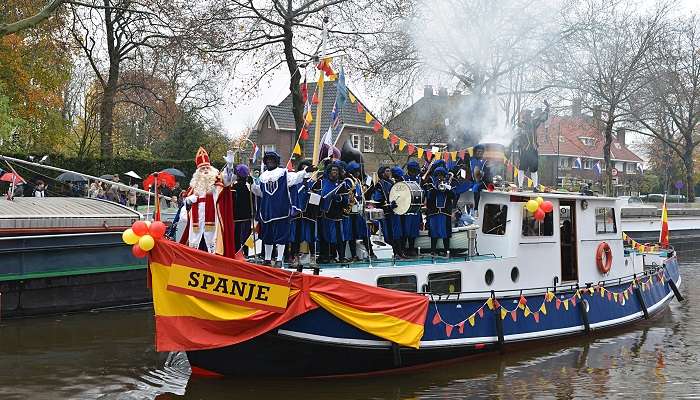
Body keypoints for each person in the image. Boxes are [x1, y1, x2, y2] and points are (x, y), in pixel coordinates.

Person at [252, 151, 314, 266]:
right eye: (268, 159)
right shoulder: (262, 176)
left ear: (276, 161)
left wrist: (305, 171)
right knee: (267, 236)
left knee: (281, 236)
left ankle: (279, 259)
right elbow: (260, 193)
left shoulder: (284, 173)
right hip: (267, 211)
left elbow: (295, 178)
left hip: (281, 210)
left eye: (272, 159)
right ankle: (267, 259)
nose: (270, 161)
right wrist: (252, 185)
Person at [178, 147, 236, 256]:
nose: (205, 170)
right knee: (196, 245)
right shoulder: (193, 187)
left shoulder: (217, 181)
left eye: (207, 168)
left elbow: (228, 181)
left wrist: (230, 166)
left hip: (213, 220)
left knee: (211, 245)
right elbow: (185, 205)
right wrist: (188, 201)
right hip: (197, 222)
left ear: (211, 170)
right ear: (198, 173)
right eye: (202, 169)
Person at [372, 165, 407, 259]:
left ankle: (400, 252)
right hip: (387, 213)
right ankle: (393, 253)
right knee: (389, 234)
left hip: (395, 212)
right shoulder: (379, 185)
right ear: (382, 173)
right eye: (387, 171)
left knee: (397, 233)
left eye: (389, 171)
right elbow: (377, 200)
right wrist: (389, 206)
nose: (389, 172)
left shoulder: (392, 182)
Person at [343, 161, 375, 261]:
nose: (358, 173)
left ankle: (371, 253)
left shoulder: (357, 181)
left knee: (365, 233)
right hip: (351, 212)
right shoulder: (348, 181)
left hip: (359, 211)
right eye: (356, 171)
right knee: (351, 235)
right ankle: (354, 255)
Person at [318, 162, 349, 263]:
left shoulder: (342, 184)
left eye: (336, 170)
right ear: (329, 172)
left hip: (337, 215)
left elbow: (346, 200)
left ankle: (341, 257)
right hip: (324, 214)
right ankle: (327, 257)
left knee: (339, 237)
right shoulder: (322, 182)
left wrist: (338, 198)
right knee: (325, 237)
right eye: (332, 170)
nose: (334, 172)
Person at [290, 159, 319, 264]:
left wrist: (313, 195)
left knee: (311, 236)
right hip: (298, 213)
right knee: (296, 236)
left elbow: (318, 199)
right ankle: (295, 257)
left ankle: (312, 258)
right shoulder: (296, 183)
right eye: (303, 168)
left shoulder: (314, 183)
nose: (305, 171)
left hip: (310, 213)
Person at [423, 166, 456, 256]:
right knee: (434, 231)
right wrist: (435, 189)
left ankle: (446, 250)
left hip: (445, 213)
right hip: (434, 212)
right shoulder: (431, 185)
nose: (439, 177)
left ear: (444, 176)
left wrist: (447, 189)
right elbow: (429, 197)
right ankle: (433, 250)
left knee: (445, 232)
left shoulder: (449, 184)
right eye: (437, 175)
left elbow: (453, 196)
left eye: (441, 175)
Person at [232, 164, 254, 256]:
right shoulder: (250, 187)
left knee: (237, 236)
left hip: (236, 216)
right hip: (247, 216)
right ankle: (246, 253)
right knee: (247, 236)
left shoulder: (233, 187)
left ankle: (237, 252)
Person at [402, 160, 422, 256]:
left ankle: (411, 248)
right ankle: (403, 249)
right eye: (415, 171)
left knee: (414, 229)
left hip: (416, 208)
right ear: (410, 170)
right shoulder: (403, 178)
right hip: (406, 208)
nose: (416, 173)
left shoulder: (420, 179)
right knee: (405, 229)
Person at [468, 144, 491, 212]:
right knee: (460, 186)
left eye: (481, 152)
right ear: (475, 152)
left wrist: (482, 175)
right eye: (478, 151)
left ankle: (476, 209)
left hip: (482, 182)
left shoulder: (485, 162)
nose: (479, 153)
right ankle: (454, 207)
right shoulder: (470, 161)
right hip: (472, 181)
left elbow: (488, 175)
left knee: (476, 187)